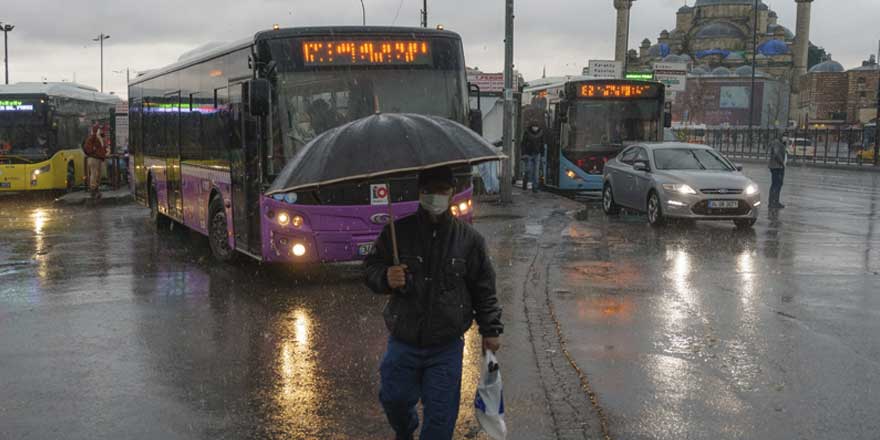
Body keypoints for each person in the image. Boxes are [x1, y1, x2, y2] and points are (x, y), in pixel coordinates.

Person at [364, 166, 503, 440]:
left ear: (452, 192)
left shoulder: (469, 240)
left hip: (446, 347)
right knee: (394, 400)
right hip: (403, 342)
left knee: (440, 421)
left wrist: (491, 330)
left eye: (442, 190)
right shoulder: (397, 232)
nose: (435, 197)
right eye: (429, 191)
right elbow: (370, 268)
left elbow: (483, 288)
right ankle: (405, 431)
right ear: (419, 192)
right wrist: (385, 276)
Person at [83, 125, 108, 199]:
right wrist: (94, 151)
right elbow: (87, 148)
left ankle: (95, 189)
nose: (101, 131)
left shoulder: (99, 138)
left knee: (97, 174)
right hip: (94, 158)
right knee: (94, 174)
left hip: (98, 158)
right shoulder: (93, 138)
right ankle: (93, 190)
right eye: (100, 130)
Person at [520, 124, 545, 192]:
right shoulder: (527, 132)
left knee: (536, 172)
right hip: (528, 153)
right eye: (534, 126)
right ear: (532, 127)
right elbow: (523, 144)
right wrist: (523, 154)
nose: (535, 128)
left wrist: (542, 155)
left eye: (536, 126)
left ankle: (535, 187)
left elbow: (542, 144)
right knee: (528, 170)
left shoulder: (541, 133)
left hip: (537, 154)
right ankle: (525, 182)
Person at [768, 131, 787, 209]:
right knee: (776, 185)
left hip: (779, 167)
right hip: (777, 167)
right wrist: (782, 163)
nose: (786, 138)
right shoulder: (776, 143)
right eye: (785, 136)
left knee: (778, 184)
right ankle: (772, 202)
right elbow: (776, 154)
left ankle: (776, 202)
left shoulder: (781, 143)